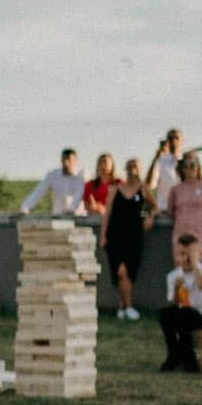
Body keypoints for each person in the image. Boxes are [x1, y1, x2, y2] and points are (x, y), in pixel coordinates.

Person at [100, 156, 150, 320]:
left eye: (135, 167)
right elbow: (107, 214)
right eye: (129, 167)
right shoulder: (115, 189)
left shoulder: (143, 189)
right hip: (116, 235)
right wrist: (103, 235)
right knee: (120, 271)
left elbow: (152, 207)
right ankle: (127, 306)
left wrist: (149, 216)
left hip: (134, 236)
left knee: (128, 272)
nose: (132, 170)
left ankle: (122, 307)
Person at [157, 233, 202, 372]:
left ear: (199, 254)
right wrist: (177, 288)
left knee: (184, 314)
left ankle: (185, 358)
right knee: (165, 313)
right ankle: (175, 354)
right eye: (182, 254)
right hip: (184, 313)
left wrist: (195, 264)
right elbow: (175, 302)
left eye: (190, 254)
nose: (186, 258)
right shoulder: (173, 275)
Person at [164, 151, 202, 253]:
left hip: (201, 228)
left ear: (198, 167)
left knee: (200, 259)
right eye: (186, 166)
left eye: (193, 165)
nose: (189, 169)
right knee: (182, 258)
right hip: (181, 228)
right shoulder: (175, 189)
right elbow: (170, 211)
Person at [20, 147, 86, 215]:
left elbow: (80, 194)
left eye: (69, 159)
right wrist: (25, 207)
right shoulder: (53, 175)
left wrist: (72, 209)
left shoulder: (82, 176)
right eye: (64, 159)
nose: (66, 162)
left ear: (75, 160)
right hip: (59, 218)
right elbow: (39, 191)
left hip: (79, 218)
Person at [148, 128, 184, 206]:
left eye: (176, 138)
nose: (174, 141)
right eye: (171, 138)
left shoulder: (188, 161)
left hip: (184, 210)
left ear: (182, 141)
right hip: (165, 210)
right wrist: (155, 159)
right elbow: (150, 185)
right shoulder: (160, 161)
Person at [83, 152, 118, 217]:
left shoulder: (119, 183)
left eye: (105, 162)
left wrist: (104, 210)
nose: (102, 165)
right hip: (96, 220)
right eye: (100, 162)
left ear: (112, 165)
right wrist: (94, 208)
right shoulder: (89, 185)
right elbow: (87, 204)